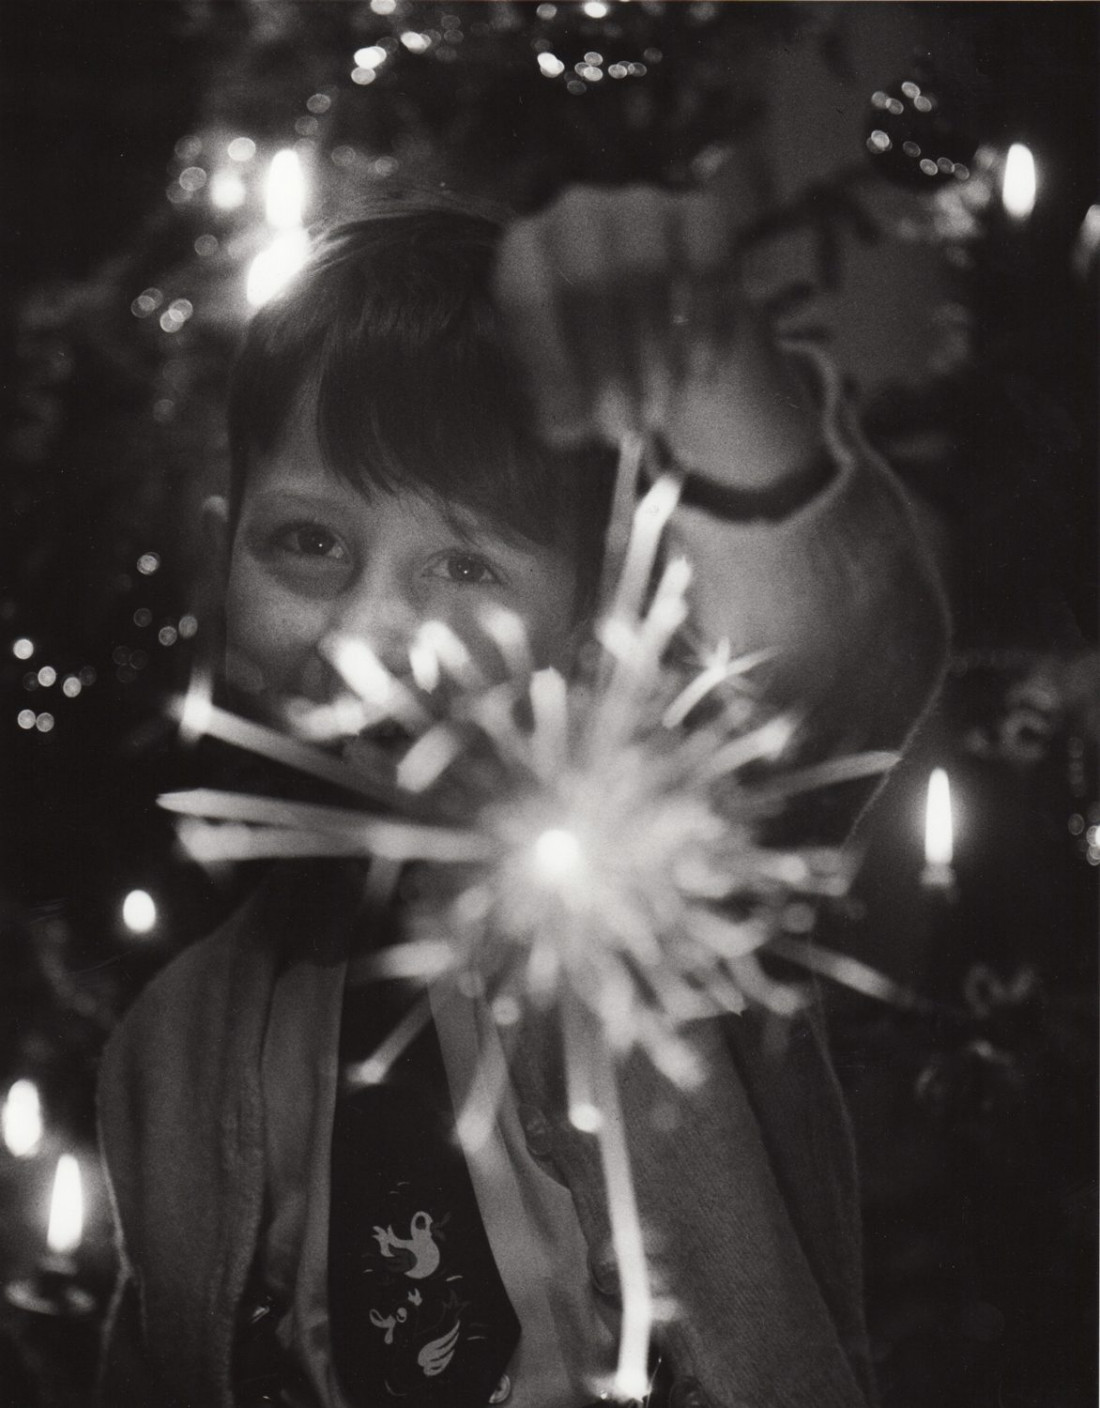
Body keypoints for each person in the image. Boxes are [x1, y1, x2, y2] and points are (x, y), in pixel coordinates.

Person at [97, 182, 948, 1408]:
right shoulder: (166, 1050)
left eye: (465, 563)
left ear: (588, 621)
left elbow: (821, 653)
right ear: (221, 557)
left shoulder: (656, 907)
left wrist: (706, 364)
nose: (369, 633)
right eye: (309, 544)